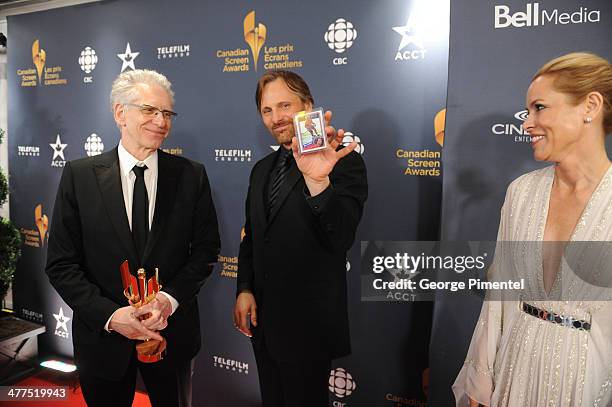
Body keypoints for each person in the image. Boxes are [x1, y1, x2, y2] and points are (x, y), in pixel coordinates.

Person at [45, 69, 220, 407]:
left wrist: (167, 300)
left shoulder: (191, 176)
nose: (161, 121)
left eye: (167, 113)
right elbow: (61, 264)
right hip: (102, 341)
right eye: (149, 110)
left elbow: (205, 250)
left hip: (172, 338)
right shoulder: (79, 176)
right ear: (120, 113)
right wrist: (111, 317)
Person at [453, 52, 612, 406]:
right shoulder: (522, 192)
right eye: (527, 111)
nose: (527, 123)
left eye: (539, 108)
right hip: (514, 367)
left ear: (590, 105)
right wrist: (480, 380)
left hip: (586, 383)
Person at [233, 70, 368, 406]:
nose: (276, 118)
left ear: (308, 105)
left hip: (309, 330)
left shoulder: (343, 163)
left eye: (285, 105)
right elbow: (252, 236)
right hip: (263, 327)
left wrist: (319, 182)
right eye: (267, 110)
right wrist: (245, 287)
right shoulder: (261, 169)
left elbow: (341, 237)